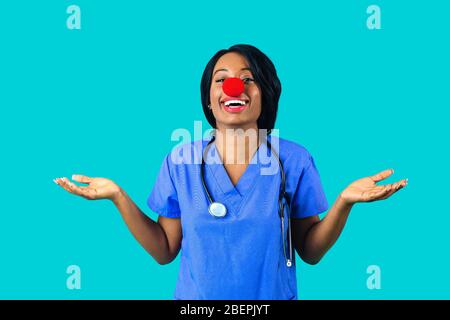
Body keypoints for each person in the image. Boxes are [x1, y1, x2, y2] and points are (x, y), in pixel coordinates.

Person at [54, 44, 407, 300]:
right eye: (221, 80)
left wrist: (344, 202)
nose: (233, 87)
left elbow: (310, 251)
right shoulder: (180, 161)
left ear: (264, 95)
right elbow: (164, 250)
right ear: (209, 99)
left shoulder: (294, 161)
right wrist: (118, 196)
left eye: (247, 79)